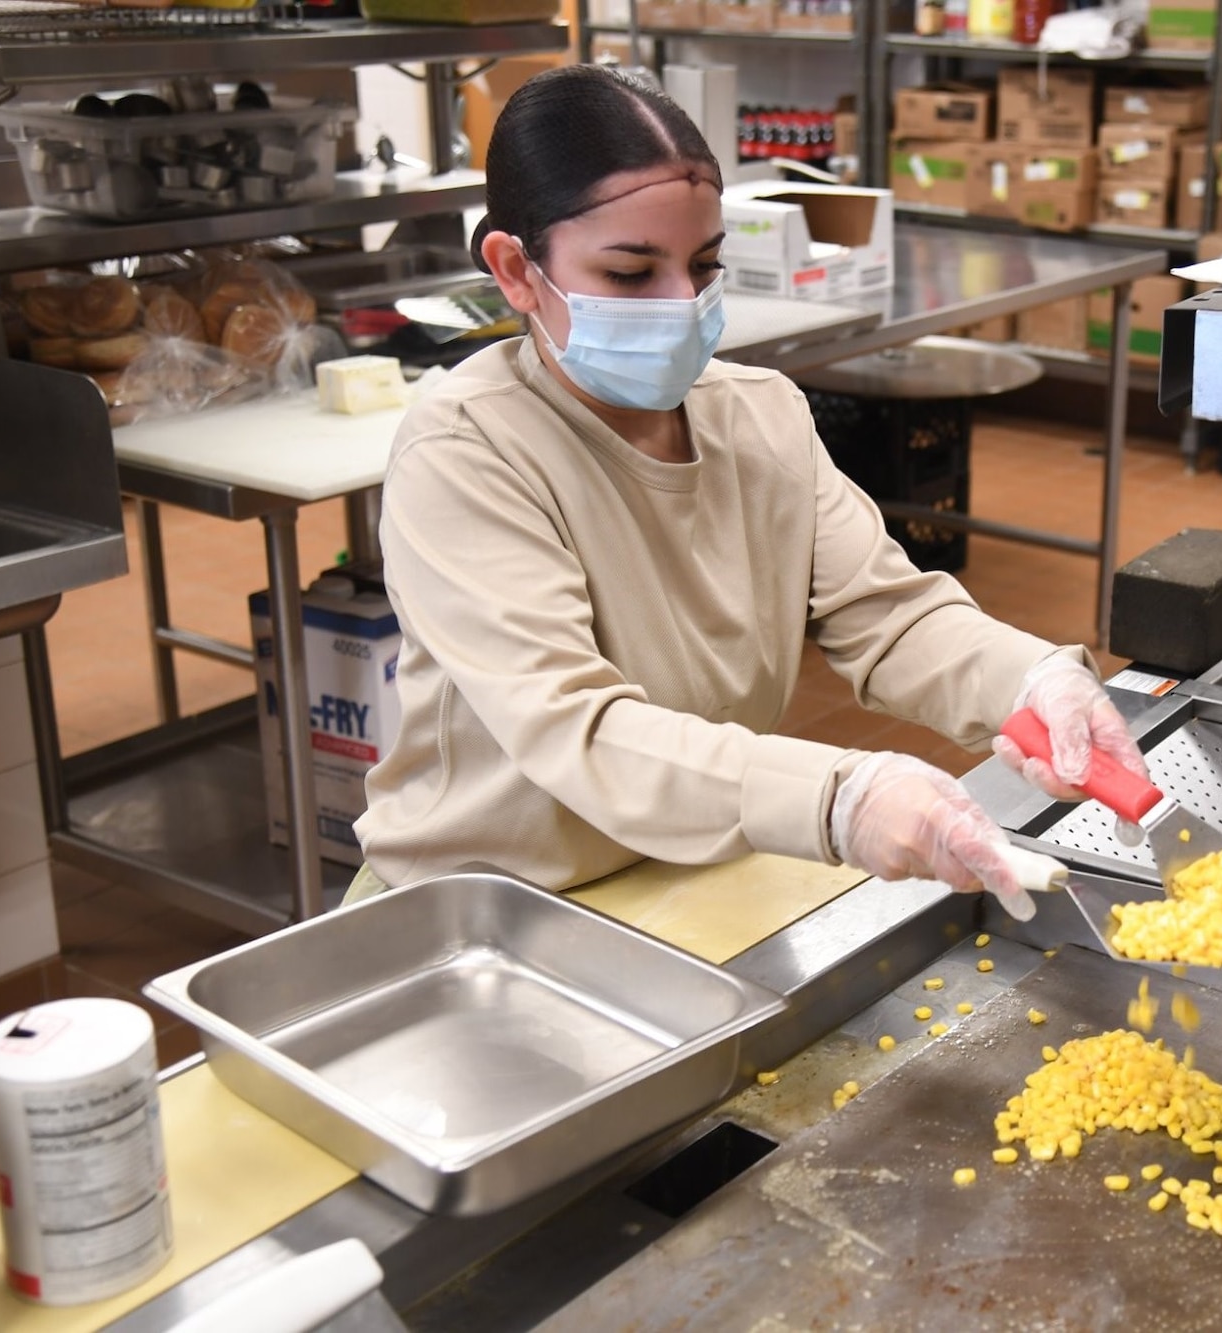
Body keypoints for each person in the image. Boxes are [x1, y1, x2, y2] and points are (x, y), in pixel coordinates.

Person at [350, 65, 1148, 920]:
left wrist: (1029, 682)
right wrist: (840, 796)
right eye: (630, 274)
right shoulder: (467, 451)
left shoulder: (759, 415)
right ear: (515, 270)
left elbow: (890, 616)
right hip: (487, 908)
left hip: (692, 871)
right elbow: (576, 732)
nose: (681, 305)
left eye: (704, 264)